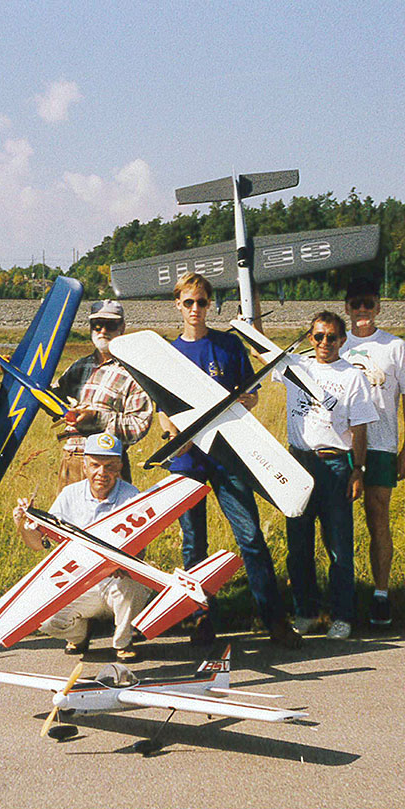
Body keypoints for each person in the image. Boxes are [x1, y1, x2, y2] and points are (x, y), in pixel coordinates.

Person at [159, 272, 294, 646]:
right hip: (188, 459)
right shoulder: (168, 352)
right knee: (193, 545)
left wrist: (241, 402)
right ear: (178, 305)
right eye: (188, 303)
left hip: (228, 454)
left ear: (209, 305)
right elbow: (164, 408)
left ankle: (274, 620)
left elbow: (251, 395)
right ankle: (201, 620)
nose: (196, 310)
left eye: (202, 302)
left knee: (250, 536)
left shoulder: (229, 347)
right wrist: (173, 438)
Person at [273, 311, 378, 640]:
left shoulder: (352, 377)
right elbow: (258, 347)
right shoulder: (295, 366)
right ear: (309, 338)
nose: (324, 343)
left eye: (332, 337)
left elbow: (360, 429)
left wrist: (357, 470)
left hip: (334, 465)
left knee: (339, 548)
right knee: (299, 546)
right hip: (298, 463)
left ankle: (342, 616)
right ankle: (305, 612)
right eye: (318, 336)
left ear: (342, 341)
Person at [11, 433, 152, 662]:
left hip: (116, 581)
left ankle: (123, 641)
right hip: (80, 581)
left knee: (133, 584)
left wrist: (120, 561)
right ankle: (79, 635)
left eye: (110, 466)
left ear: (120, 467)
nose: (102, 473)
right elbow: (39, 545)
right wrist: (24, 524)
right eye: (95, 465)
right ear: (85, 466)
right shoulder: (70, 494)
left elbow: (140, 548)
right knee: (46, 620)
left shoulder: (131, 496)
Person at [341, 278, 405, 628]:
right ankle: (341, 597)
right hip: (341, 445)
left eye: (369, 304)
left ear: (378, 307)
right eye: (356, 304)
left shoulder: (395, 347)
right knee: (337, 523)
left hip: (380, 445)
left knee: (378, 517)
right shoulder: (333, 342)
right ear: (347, 308)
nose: (362, 311)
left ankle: (380, 594)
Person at [50, 299, 152, 492]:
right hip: (73, 459)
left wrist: (96, 419)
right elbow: (54, 402)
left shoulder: (134, 373)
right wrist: (18, 373)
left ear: (122, 327)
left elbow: (139, 424)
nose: (102, 331)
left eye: (110, 325)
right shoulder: (78, 366)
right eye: (96, 325)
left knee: (110, 521)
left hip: (109, 464)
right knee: (67, 520)